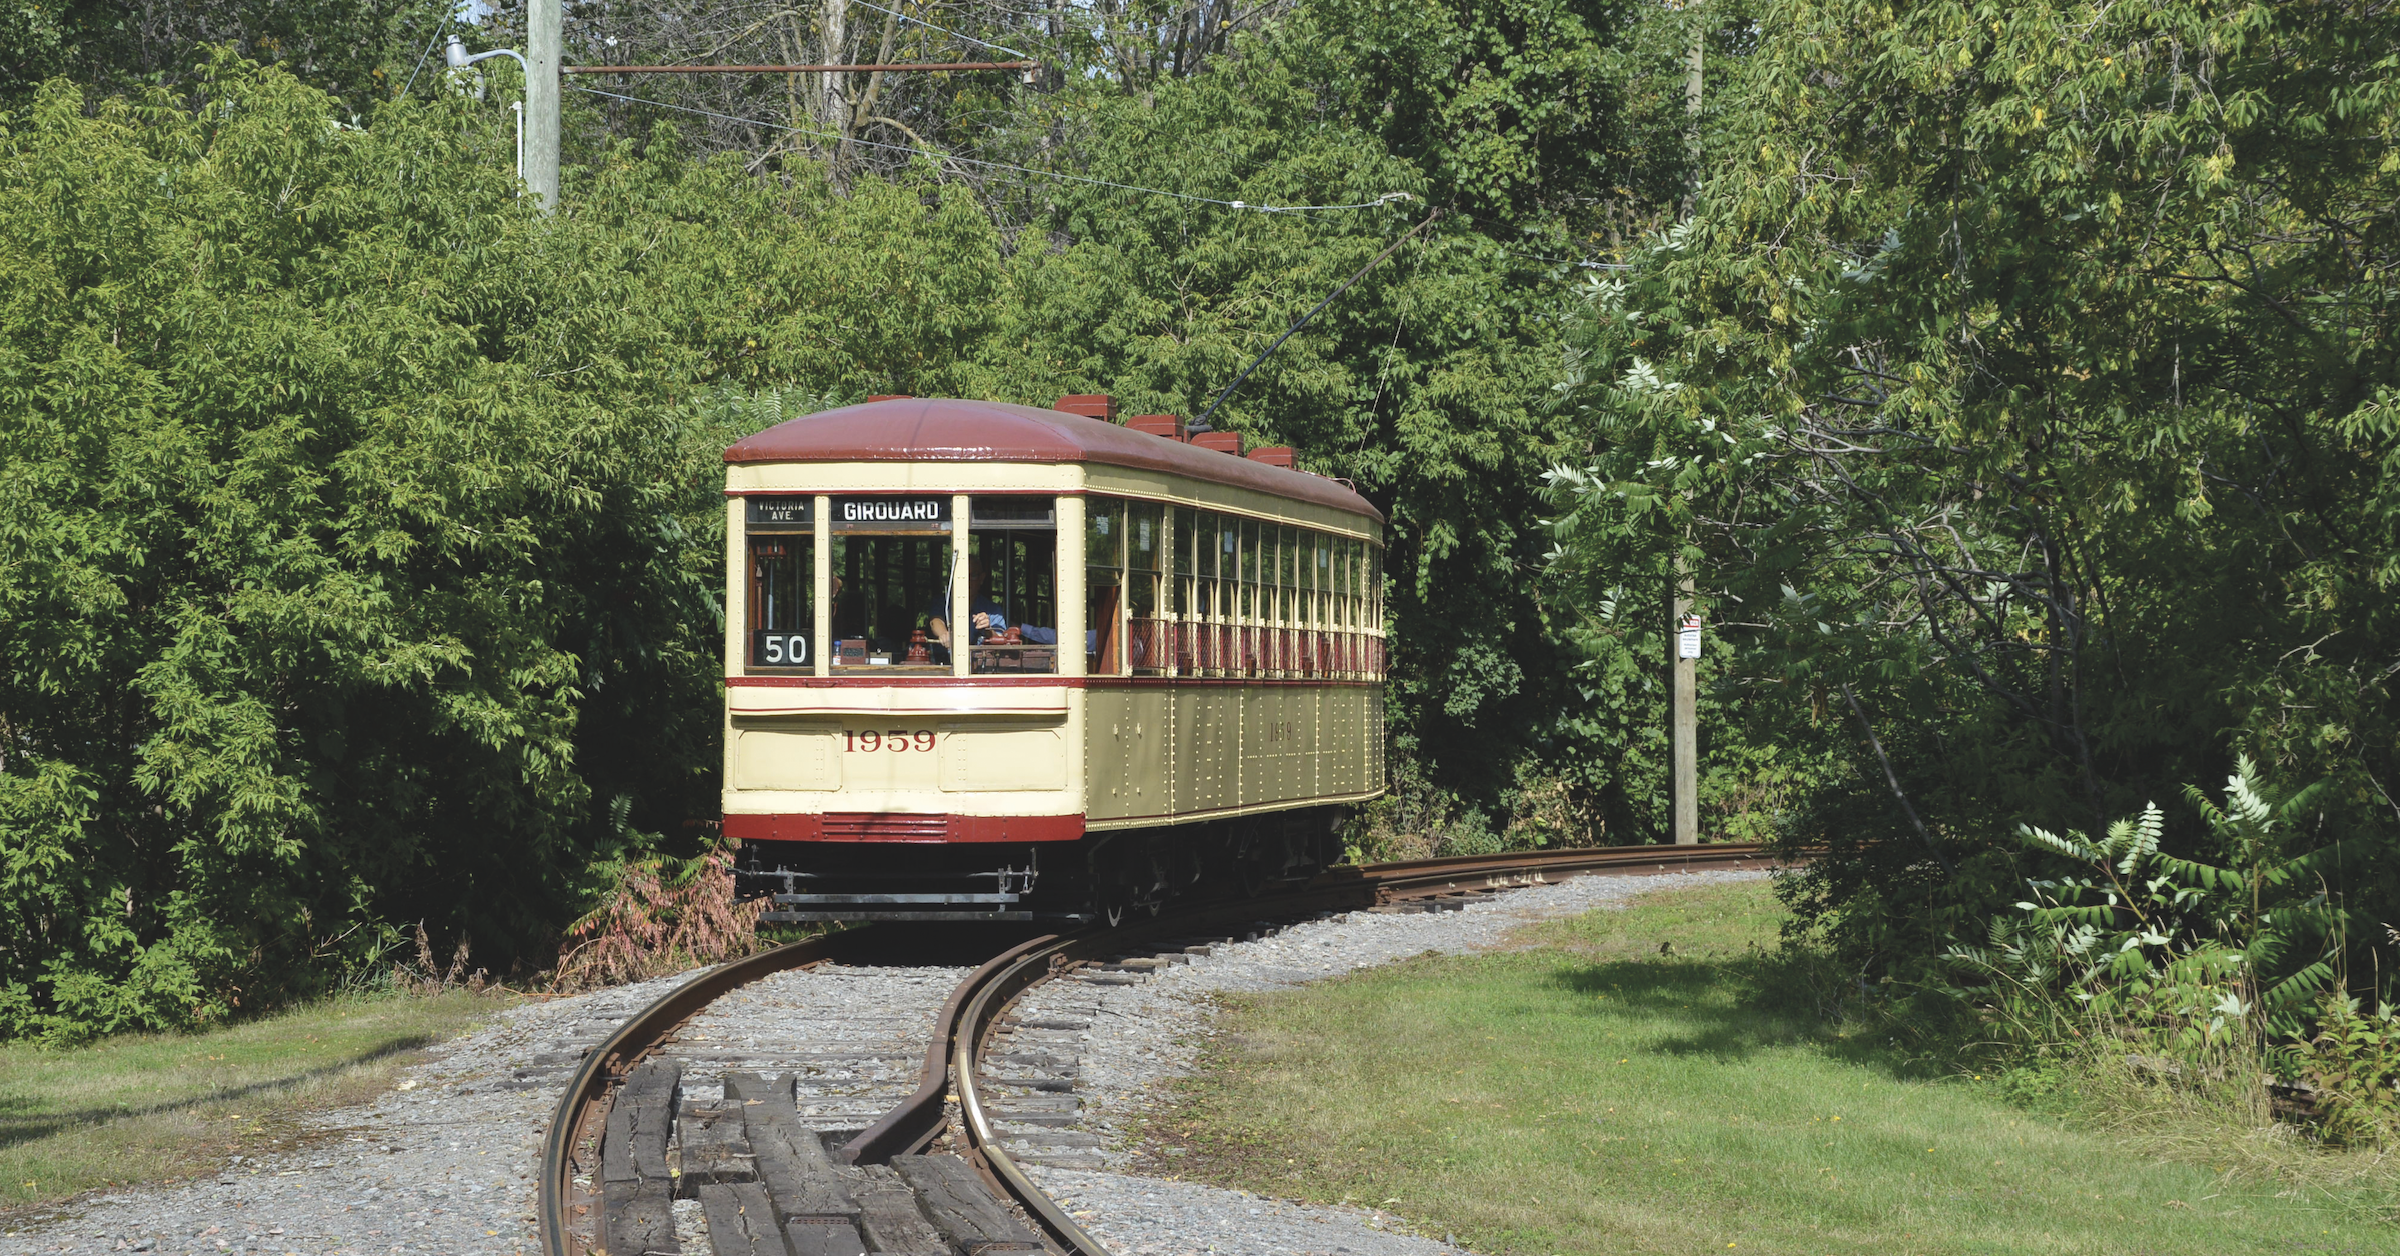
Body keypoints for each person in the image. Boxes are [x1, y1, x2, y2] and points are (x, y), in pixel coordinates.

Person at [930, 558, 1057, 650]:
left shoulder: (992, 609)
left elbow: (1000, 640)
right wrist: (944, 634)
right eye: (962, 576)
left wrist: (988, 630)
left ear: (982, 579)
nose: (967, 581)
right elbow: (935, 620)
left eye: (973, 576)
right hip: (944, 665)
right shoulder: (943, 601)